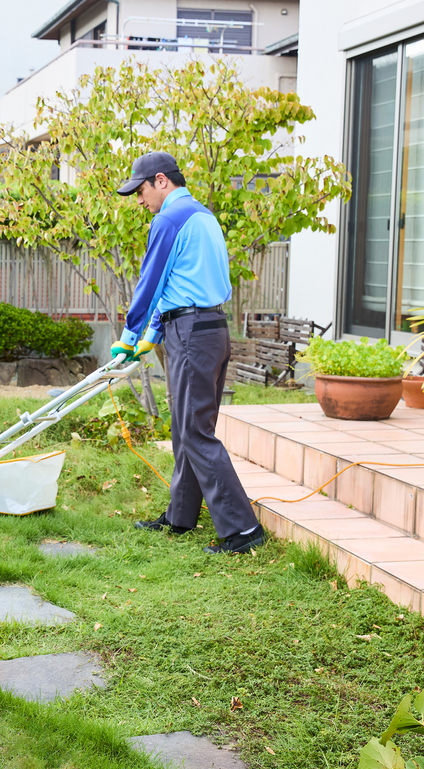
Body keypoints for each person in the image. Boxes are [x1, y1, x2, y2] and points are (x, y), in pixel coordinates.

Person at [111, 151, 265, 555]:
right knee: (186, 425)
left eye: (141, 191)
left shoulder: (168, 220)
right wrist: (157, 331)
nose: (140, 201)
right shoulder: (203, 216)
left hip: (192, 333)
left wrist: (130, 335)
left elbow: (151, 281)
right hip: (210, 328)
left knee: (195, 431)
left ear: (161, 181)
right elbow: (184, 280)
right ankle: (181, 516)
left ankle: (243, 530)